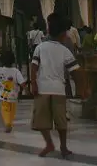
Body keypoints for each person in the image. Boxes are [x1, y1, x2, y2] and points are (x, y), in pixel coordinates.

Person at [31, 12, 84, 158]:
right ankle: (63, 146)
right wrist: (82, 88)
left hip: (42, 88)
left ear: (48, 31)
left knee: (41, 121)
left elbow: (33, 67)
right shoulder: (64, 51)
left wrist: (33, 83)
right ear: (63, 34)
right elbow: (75, 71)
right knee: (61, 122)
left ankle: (49, 143)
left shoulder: (40, 48)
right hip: (59, 90)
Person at [0, 48, 25, 133]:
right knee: (12, 111)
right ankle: (10, 123)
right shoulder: (16, 71)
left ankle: (7, 123)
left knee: (5, 110)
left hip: (3, 96)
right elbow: (22, 83)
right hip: (14, 96)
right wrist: (22, 89)